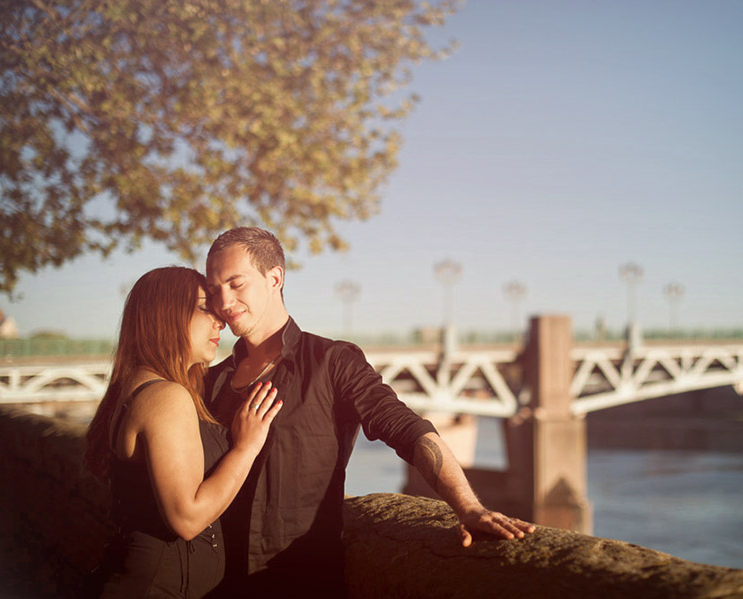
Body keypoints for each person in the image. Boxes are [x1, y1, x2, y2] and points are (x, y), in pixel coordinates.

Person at [204, 227, 535, 598]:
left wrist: (468, 507)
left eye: (236, 284)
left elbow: (407, 429)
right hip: (215, 584)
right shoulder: (213, 381)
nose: (224, 301)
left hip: (300, 580)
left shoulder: (332, 362)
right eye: (214, 290)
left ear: (274, 278)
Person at [83, 266, 283, 598]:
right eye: (206, 308)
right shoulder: (165, 397)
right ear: (168, 316)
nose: (220, 320)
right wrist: (246, 448)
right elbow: (187, 519)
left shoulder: (138, 386)